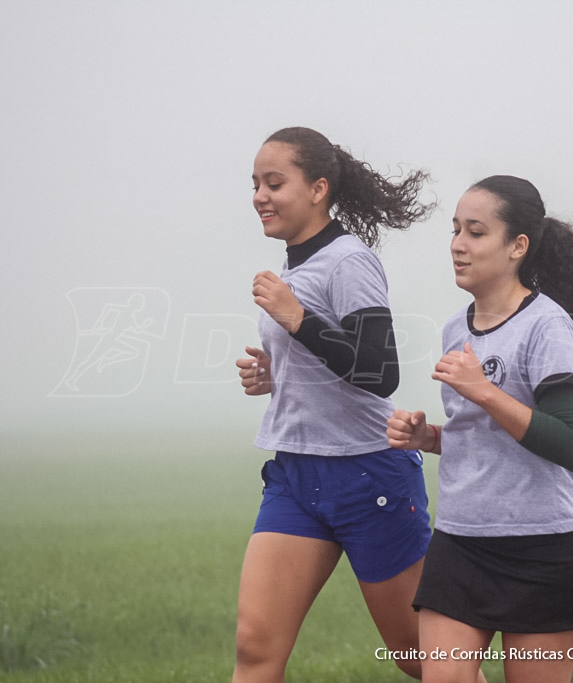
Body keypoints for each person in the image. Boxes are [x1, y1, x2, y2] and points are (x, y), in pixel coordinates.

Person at [387, 175, 573, 683]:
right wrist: (430, 439)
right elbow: (481, 435)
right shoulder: (455, 328)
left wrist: (484, 391)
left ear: (518, 246)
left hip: (542, 550)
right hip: (460, 542)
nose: (457, 245)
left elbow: (572, 445)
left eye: (475, 232)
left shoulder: (546, 326)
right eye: (455, 231)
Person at [233, 126, 435, 682]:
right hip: (296, 476)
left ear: (319, 188)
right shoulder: (295, 269)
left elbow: (379, 371)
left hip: (367, 475)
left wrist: (297, 317)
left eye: (275, 182)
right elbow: (331, 362)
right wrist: (275, 378)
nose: (259, 196)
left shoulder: (348, 262)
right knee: (255, 647)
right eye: (255, 184)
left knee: (422, 658)